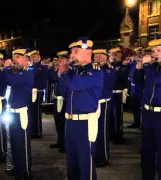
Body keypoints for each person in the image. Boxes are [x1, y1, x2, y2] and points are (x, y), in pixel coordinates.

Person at [60, 38, 103, 180]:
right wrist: (64, 74)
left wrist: (62, 73)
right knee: (72, 162)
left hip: (85, 123)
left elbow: (75, 85)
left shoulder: (95, 72)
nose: (71, 55)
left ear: (87, 53)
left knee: (85, 163)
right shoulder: (74, 73)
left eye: (75, 52)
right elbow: (62, 91)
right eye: (72, 52)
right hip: (70, 122)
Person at [134, 36, 161, 180]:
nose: (155, 53)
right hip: (148, 112)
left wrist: (145, 66)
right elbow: (137, 82)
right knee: (147, 150)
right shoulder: (151, 67)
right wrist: (138, 69)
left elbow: (158, 79)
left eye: (159, 50)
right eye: (153, 51)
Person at [4, 48, 34, 180]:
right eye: (14, 57)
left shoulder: (28, 73)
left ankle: (25, 170)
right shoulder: (18, 72)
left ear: (26, 59)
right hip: (12, 112)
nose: (15, 60)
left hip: (22, 113)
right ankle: (17, 167)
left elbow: (13, 81)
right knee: (15, 142)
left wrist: (6, 68)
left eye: (18, 57)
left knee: (23, 143)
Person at [92, 49, 115, 167]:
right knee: (93, 131)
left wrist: (97, 72)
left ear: (105, 57)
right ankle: (94, 154)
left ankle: (103, 156)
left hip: (103, 102)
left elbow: (108, 84)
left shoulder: (108, 70)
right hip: (92, 103)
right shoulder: (92, 69)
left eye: (100, 56)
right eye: (96, 56)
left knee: (102, 131)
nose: (98, 58)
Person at [48, 51, 69, 153]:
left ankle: (66, 144)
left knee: (64, 123)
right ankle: (60, 141)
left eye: (62, 59)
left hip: (64, 99)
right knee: (58, 122)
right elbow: (52, 79)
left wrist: (61, 72)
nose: (60, 61)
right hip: (56, 98)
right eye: (59, 59)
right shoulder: (58, 70)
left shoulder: (68, 70)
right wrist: (54, 69)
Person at [108, 47, 129, 144]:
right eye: (111, 54)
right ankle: (111, 134)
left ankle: (118, 136)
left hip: (118, 93)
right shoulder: (110, 66)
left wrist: (114, 66)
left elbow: (119, 77)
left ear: (120, 55)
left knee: (117, 116)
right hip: (110, 93)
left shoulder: (123, 65)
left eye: (115, 54)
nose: (113, 56)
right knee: (110, 116)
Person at [29, 50, 48, 138]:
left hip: (38, 91)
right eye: (31, 57)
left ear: (38, 56)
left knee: (36, 112)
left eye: (34, 56)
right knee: (32, 112)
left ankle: (37, 131)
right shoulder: (33, 66)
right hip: (32, 91)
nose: (33, 58)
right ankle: (33, 130)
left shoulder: (41, 66)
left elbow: (37, 76)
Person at [127, 47, 143, 129]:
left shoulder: (144, 63)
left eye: (140, 52)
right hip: (133, 87)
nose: (138, 54)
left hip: (141, 87)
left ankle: (143, 124)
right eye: (136, 52)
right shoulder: (132, 63)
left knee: (142, 107)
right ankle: (136, 121)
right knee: (134, 106)